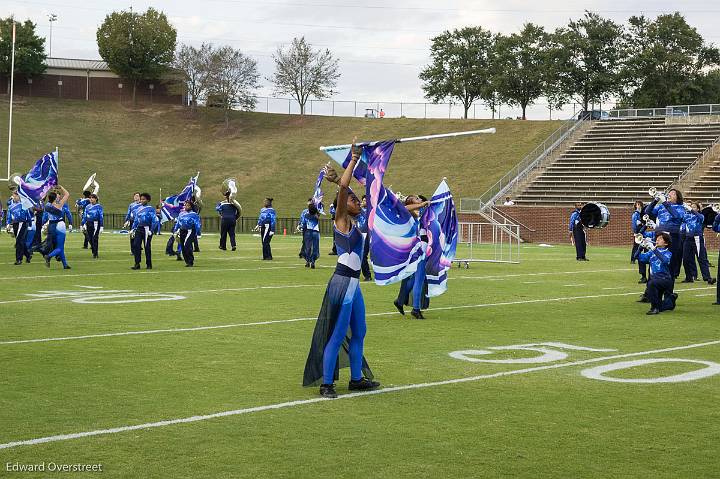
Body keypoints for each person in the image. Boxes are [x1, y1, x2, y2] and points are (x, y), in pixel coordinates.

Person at [303, 140, 379, 398]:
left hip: (354, 285)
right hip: (343, 284)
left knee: (360, 331)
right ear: (344, 205)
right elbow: (346, 189)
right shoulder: (342, 220)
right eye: (354, 200)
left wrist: (336, 182)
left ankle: (356, 379)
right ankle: (327, 384)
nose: (358, 203)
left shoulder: (356, 220)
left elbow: (349, 191)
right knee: (337, 334)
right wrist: (354, 158)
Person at [394, 195, 431, 319]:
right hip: (418, 249)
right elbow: (404, 208)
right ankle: (416, 309)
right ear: (411, 202)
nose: (419, 199)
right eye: (416, 198)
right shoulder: (409, 214)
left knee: (417, 278)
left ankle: (400, 300)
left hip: (423, 248)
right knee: (419, 278)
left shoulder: (420, 214)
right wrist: (422, 205)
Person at [644, 189, 686, 278]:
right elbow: (647, 211)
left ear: (677, 197)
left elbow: (676, 216)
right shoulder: (661, 206)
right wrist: (655, 200)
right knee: (654, 258)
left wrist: (664, 202)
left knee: (671, 262)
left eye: (673, 194)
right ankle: (651, 287)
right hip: (659, 234)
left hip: (672, 235)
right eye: (669, 193)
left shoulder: (681, 207)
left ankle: (669, 290)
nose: (669, 195)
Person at [637, 232, 676, 315]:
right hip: (656, 280)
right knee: (660, 306)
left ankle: (654, 308)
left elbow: (665, 261)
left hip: (665, 280)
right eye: (657, 238)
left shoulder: (668, 253)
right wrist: (641, 246)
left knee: (651, 284)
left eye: (660, 238)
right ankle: (670, 302)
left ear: (666, 243)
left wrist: (653, 249)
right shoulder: (652, 252)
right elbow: (638, 257)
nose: (657, 239)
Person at [681, 202, 716, 284]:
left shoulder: (700, 216)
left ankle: (707, 278)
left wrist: (691, 210)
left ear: (697, 209)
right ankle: (689, 277)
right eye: (691, 207)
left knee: (701, 259)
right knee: (685, 259)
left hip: (697, 238)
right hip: (688, 238)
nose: (692, 208)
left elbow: (701, 217)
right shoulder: (686, 216)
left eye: (694, 207)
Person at [43, 186, 72, 270]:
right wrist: (61, 187)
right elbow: (67, 194)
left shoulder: (47, 205)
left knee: (59, 246)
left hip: (52, 226)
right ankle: (48, 256)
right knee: (60, 247)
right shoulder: (59, 204)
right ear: (55, 198)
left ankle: (65, 265)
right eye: (57, 196)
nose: (58, 196)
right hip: (60, 225)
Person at [131, 193, 159, 270]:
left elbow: (154, 220)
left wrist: (151, 230)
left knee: (147, 247)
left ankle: (149, 264)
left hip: (147, 229)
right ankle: (137, 263)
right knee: (136, 245)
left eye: (144, 199)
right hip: (139, 229)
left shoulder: (151, 209)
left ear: (148, 200)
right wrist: (133, 228)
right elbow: (136, 220)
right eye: (141, 199)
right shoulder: (138, 209)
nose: (142, 200)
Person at [6, 191, 33, 265]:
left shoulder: (24, 205)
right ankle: (28, 255)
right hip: (15, 224)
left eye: (16, 196)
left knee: (19, 241)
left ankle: (19, 259)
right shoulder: (11, 206)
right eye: (13, 196)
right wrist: (8, 224)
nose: (14, 197)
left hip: (23, 223)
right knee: (20, 241)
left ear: (19, 196)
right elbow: (9, 216)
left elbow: (28, 215)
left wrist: (30, 224)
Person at [176, 200, 202, 267]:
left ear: (191, 206)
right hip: (182, 231)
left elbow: (197, 224)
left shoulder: (194, 214)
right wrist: (176, 229)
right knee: (183, 246)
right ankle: (187, 261)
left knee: (187, 245)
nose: (186, 206)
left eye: (188, 205)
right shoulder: (181, 213)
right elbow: (178, 222)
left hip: (190, 231)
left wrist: (198, 233)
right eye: (185, 205)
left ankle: (190, 261)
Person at [81, 193, 104, 259]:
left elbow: (101, 216)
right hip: (89, 223)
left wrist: (101, 226)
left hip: (96, 223)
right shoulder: (87, 206)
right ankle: (94, 250)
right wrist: (82, 224)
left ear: (96, 199)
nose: (91, 199)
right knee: (89, 238)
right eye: (90, 198)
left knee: (95, 238)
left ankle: (95, 253)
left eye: (92, 198)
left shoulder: (99, 206)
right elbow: (85, 216)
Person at [631, 200, 648, 283]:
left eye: (639, 205)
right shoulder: (636, 214)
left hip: (647, 235)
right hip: (641, 235)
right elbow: (635, 226)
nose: (638, 206)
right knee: (639, 253)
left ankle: (650, 275)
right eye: (636, 205)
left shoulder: (644, 213)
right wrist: (637, 232)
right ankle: (643, 276)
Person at [303, 203, 321, 268]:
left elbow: (304, 223)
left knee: (308, 247)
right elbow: (319, 212)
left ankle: (307, 261)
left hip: (308, 232)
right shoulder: (316, 216)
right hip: (316, 232)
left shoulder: (306, 215)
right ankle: (313, 261)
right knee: (315, 247)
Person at [359, 195, 372, 281]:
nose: (364, 202)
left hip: (368, 234)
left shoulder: (370, 211)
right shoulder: (358, 210)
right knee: (361, 255)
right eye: (363, 200)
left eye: (366, 200)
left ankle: (368, 275)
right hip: (360, 234)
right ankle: (367, 274)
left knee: (364, 255)